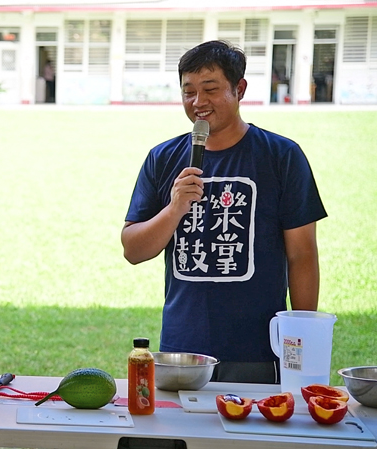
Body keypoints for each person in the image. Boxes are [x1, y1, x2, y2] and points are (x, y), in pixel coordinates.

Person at [121, 40, 327, 384]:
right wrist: (174, 209)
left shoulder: (282, 156)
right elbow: (133, 249)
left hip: (259, 349)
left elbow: (302, 254)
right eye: (188, 91)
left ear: (239, 89)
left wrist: (301, 342)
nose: (198, 102)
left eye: (210, 89)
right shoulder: (162, 157)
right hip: (182, 348)